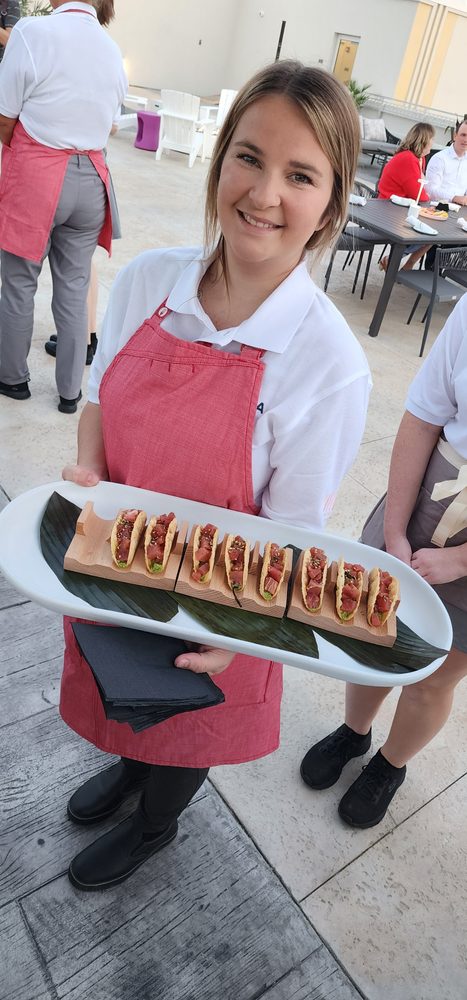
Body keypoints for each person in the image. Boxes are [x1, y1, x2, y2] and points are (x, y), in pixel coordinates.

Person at [59, 59, 372, 891]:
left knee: (186, 727)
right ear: (219, 158)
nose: (263, 194)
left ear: (330, 204)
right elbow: (100, 398)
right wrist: (89, 467)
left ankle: (154, 825)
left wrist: (235, 632)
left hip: (224, 603)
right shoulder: (150, 281)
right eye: (248, 157)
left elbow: (293, 533)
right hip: (118, 564)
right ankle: (129, 769)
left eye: (299, 175)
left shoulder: (326, 362)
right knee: (122, 693)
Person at [300, 296, 467, 828]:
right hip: (432, 491)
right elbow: (423, 417)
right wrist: (395, 530)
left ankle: (389, 766)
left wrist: (462, 559)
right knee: (372, 638)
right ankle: (354, 732)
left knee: (432, 677)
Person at [0, 0, 127, 413]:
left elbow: (4, 117)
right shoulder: (111, 49)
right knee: (74, 288)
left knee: (19, 282)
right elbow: (111, 123)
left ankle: (12, 379)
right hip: (92, 178)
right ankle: (70, 393)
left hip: (38, 173)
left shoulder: (32, 32)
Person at [377, 122, 435, 272]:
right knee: (430, 231)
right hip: (387, 210)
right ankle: (393, 261)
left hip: (394, 207)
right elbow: (419, 195)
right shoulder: (409, 159)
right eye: (432, 139)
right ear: (425, 141)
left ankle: (403, 264)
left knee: (432, 232)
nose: (433, 143)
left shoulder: (416, 158)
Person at [425, 120, 467, 206]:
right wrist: (454, 198)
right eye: (463, 135)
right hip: (436, 207)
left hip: (460, 209)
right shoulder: (439, 158)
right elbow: (431, 189)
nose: (465, 140)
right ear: (455, 136)